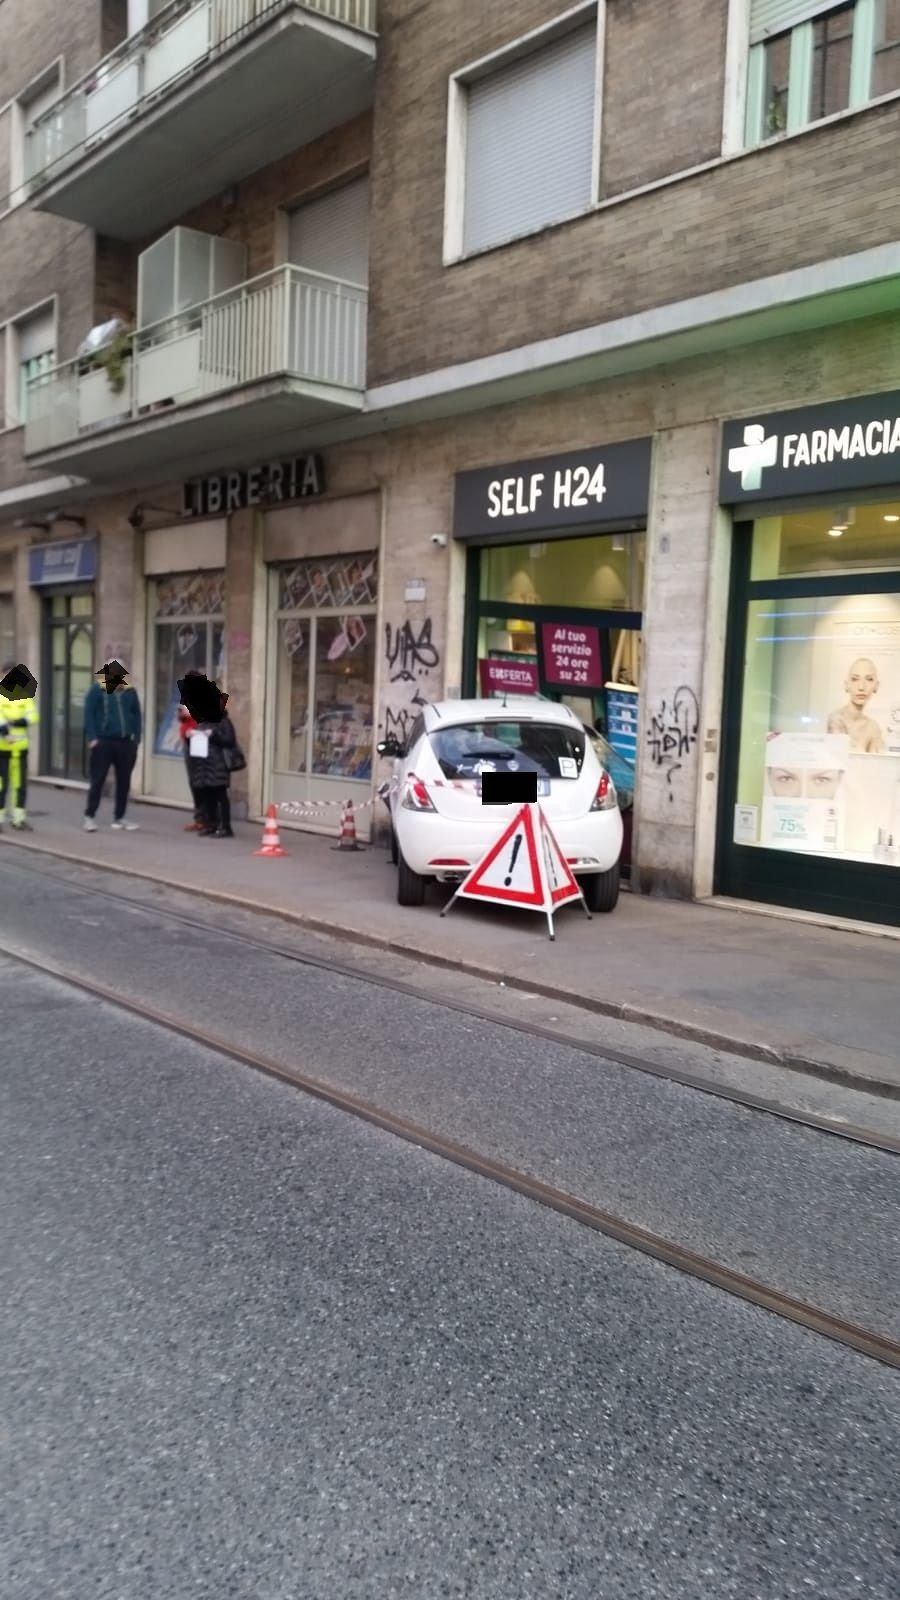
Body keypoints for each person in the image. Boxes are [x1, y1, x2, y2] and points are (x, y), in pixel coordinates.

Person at [83, 664, 142, 831]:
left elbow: (137, 715)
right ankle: (89, 816)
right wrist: (93, 738)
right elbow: (89, 714)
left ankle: (119, 817)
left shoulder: (130, 691)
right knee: (98, 780)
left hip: (125, 742)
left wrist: (136, 739)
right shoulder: (97, 690)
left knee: (124, 781)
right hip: (103, 741)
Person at [187, 692, 237, 837]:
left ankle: (225, 827)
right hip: (203, 766)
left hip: (217, 765)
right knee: (208, 797)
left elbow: (230, 741)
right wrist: (190, 737)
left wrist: (213, 735)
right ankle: (211, 824)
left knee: (221, 797)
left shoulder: (224, 721)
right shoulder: (202, 722)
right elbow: (197, 742)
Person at [0, 663, 39, 830]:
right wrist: (4, 731)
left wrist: (17, 722)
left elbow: (34, 716)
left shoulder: (24, 696)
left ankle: (18, 819)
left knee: (20, 786)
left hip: (20, 749)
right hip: (2, 749)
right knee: (1, 786)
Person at [827, 657, 886, 753]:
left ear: (876, 686)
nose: (861, 687)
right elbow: (838, 757)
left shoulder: (873, 726)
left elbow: (879, 759)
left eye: (869, 679)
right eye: (855, 679)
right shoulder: (836, 719)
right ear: (846, 685)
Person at [177, 670, 205, 831]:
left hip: (199, 741)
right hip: (188, 741)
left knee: (200, 781)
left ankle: (205, 817)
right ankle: (199, 817)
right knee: (193, 782)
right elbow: (181, 718)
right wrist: (183, 714)